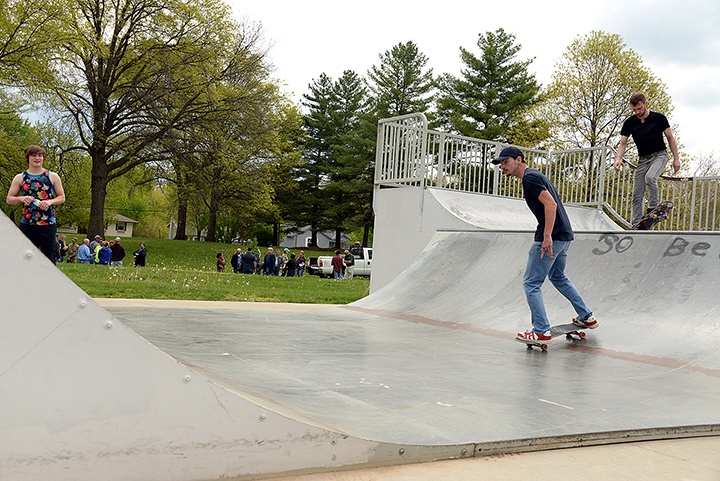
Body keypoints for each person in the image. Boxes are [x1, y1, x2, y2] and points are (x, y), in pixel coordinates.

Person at [491, 146, 598, 342]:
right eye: (501, 164)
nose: (503, 167)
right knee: (558, 276)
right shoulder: (534, 176)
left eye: (506, 162)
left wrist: (547, 235)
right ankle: (586, 316)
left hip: (552, 237)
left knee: (531, 283)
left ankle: (541, 330)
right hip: (564, 235)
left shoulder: (530, 178)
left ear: (519, 160)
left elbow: (551, 204)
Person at [613, 92, 680, 226]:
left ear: (646, 104)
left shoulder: (659, 118)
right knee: (637, 194)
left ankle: (653, 208)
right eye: (634, 110)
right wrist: (618, 158)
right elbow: (623, 143)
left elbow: (670, 138)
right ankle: (637, 223)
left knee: (650, 177)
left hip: (660, 155)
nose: (638, 112)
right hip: (643, 159)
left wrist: (676, 158)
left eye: (640, 108)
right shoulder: (630, 123)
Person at [5, 145, 66, 263]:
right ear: (28, 158)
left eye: (40, 155)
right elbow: (9, 199)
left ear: (43, 158)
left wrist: (49, 202)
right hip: (27, 224)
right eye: (34, 155)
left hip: (48, 224)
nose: (37, 158)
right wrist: (21, 198)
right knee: (25, 259)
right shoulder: (20, 177)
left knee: (48, 259)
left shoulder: (52, 176)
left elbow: (62, 197)